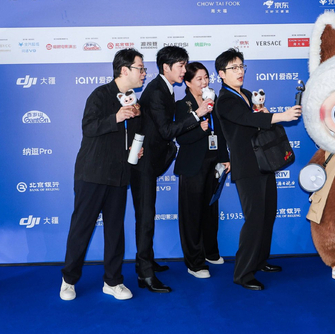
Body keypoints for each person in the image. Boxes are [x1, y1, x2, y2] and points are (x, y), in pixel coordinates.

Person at [60, 48, 146, 301]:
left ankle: (113, 281)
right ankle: (68, 280)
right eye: (140, 68)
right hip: (92, 173)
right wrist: (116, 117)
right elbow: (88, 127)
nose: (144, 73)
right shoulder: (100, 95)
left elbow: (130, 135)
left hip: (119, 174)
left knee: (115, 231)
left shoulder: (134, 101)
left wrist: (135, 149)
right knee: (82, 228)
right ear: (124, 70)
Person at [214, 48, 301, 291]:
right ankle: (243, 273)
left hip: (264, 162)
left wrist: (265, 112)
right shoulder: (225, 100)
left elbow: (256, 121)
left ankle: (260, 261)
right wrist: (280, 116)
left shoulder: (247, 94)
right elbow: (248, 120)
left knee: (267, 215)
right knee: (254, 220)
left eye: (241, 66)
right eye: (233, 68)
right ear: (221, 74)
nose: (239, 71)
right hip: (247, 166)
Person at [132, 46, 213, 293]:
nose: (184, 70)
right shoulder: (157, 91)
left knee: (148, 214)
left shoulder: (165, 88)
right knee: (145, 217)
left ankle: (147, 260)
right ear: (166, 67)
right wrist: (197, 114)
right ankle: (145, 273)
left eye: (185, 64)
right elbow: (167, 130)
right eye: (180, 65)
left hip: (152, 161)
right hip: (144, 163)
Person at [174, 62, 230, 279]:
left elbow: (221, 133)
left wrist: (225, 158)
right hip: (192, 166)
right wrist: (199, 128)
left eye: (206, 77)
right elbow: (181, 138)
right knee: (192, 215)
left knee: (210, 210)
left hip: (213, 163)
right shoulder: (183, 106)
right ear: (187, 82)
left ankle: (210, 252)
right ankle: (195, 263)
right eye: (199, 79)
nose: (204, 82)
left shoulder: (213, 101)